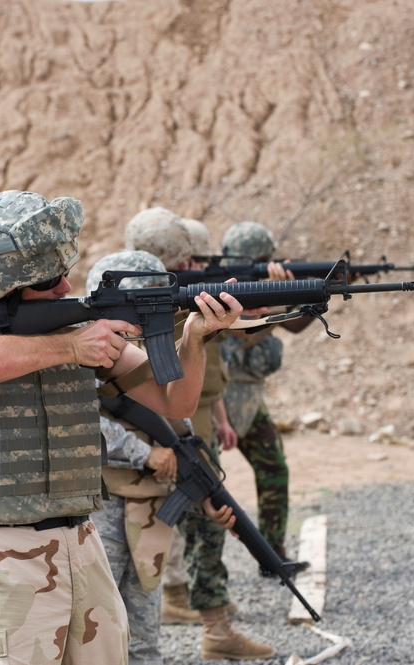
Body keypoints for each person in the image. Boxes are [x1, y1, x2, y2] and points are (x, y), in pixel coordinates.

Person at [0, 190, 247, 664]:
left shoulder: (74, 327)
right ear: (7, 283)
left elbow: (175, 401)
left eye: (66, 274)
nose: (66, 288)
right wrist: (72, 349)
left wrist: (193, 336)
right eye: (50, 281)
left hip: (82, 544)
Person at [124, 211, 274, 661]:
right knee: (198, 523)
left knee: (201, 521)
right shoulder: (149, 304)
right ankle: (211, 624)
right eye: (185, 261)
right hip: (169, 430)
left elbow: (206, 366)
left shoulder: (175, 299)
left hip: (195, 420)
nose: (194, 269)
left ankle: (202, 612)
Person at [87, 249, 240, 665]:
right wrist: (143, 453)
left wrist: (205, 491)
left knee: (143, 639)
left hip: (148, 504)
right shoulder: (82, 350)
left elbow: (176, 417)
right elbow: (85, 422)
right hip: (98, 504)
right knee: (99, 634)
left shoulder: (131, 353)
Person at [218, 221, 315, 566]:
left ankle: (274, 552)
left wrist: (320, 292)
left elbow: (294, 322)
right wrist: (278, 297)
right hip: (219, 400)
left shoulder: (259, 288)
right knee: (205, 489)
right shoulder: (221, 291)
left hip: (249, 400)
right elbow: (248, 332)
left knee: (274, 469)